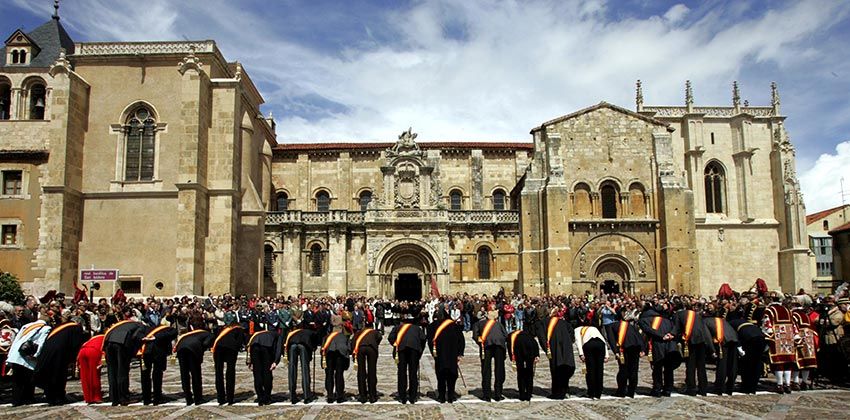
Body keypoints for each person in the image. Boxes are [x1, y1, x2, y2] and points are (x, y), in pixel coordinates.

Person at [34, 317, 86, 405]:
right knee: (59, 375)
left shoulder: (60, 327)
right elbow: (75, 344)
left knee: (50, 375)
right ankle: (59, 397)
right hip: (60, 354)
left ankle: (50, 397)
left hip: (47, 352)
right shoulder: (75, 328)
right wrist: (73, 359)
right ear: (79, 323)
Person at [668, 301, 711, 396]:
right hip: (702, 340)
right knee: (701, 366)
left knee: (691, 365)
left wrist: (671, 335)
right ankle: (703, 389)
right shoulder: (695, 314)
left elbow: (676, 328)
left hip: (690, 341)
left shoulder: (677, 315)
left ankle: (691, 389)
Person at [638, 303, 680, 397]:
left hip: (657, 344)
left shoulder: (644, 320)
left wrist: (661, 337)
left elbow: (648, 330)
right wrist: (670, 335)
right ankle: (668, 389)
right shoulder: (667, 320)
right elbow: (675, 328)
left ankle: (657, 389)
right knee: (668, 368)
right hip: (670, 344)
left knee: (657, 367)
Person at [103, 316, 147, 406]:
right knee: (122, 370)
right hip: (122, 343)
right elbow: (136, 336)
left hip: (108, 343)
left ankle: (114, 398)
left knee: (112, 371)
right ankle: (124, 398)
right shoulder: (140, 325)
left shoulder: (121, 324)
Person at [6, 319, 50, 406]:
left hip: (16, 354)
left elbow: (17, 339)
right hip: (27, 357)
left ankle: (16, 400)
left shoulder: (27, 326)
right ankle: (28, 398)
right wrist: (36, 355)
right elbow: (41, 343)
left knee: (17, 380)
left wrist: (10, 355)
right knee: (29, 379)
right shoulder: (46, 328)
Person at [536, 308, 575, 399]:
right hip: (566, 347)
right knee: (565, 367)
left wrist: (546, 350)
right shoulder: (563, 322)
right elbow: (571, 332)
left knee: (556, 369)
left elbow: (541, 337)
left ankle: (557, 393)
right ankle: (565, 389)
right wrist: (569, 342)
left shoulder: (543, 323)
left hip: (553, 347)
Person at [728, 303, 765, 395]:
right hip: (760, 337)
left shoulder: (731, 323)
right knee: (756, 363)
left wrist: (739, 348)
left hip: (749, 339)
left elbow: (735, 336)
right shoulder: (743, 321)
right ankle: (753, 387)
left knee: (747, 364)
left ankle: (746, 387)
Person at [429, 309, 465, 403]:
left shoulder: (432, 326)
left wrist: (433, 353)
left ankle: (441, 397)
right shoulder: (454, 325)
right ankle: (450, 396)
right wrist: (459, 353)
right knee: (451, 375)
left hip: (439, 355)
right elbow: (461, 340)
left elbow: (430, 341)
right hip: (452, 355)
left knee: (441, 376)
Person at [388, 315, 426, 404]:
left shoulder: (397, 328)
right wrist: (420, 350)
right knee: (413, 373)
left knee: (402, 373)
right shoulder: (417, 328)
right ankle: (413, 396)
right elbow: (423, 339)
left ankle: (402, 396)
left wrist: (396, 345)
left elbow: (390, 338)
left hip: (401, 350)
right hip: (414, 350)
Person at [763, 297, 798, 393]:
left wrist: (767, 335)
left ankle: (780, 385)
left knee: (778, 362)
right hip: (788, 336)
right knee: (788, 361)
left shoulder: (769, 310)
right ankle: (787, 384)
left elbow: (767, 324)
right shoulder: (787, 310)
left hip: (777, 337)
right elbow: (794, 324)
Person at [174, 323, 213, 405]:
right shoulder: (209, 334)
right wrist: (201, 352)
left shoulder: (191, 334)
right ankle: (198, 398)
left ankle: (188, 398)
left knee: (184, 374)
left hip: (180, 348)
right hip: (193, 350)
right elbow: (206, 344)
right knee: (196, 374)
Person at [472, 310, 508, 401]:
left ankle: (486, 395)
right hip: (499, 346)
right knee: (499, 369)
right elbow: (505, 335)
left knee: (486, 370)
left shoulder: (479, 324)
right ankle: (498, 394)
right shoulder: (499, 324)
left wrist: (480, 343)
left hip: (486, 347)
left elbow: (475, 336)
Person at [138, 322, 177, 405]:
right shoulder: (166, 329)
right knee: (157, 375)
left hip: (146, 352)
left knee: (145, 376)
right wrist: (156, 337)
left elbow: (136, 335)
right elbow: (174, 332)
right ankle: (157, 398)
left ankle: (146, 399)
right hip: (158, 353)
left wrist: (144, 338)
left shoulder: (145, 329)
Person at [704, 308, 738, 395]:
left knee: (722, 365)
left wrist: (712, 350)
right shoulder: (722, 320)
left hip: (723, 342)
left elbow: (707, 337)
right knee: (732, 364)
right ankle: (730, 388)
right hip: (733, 339)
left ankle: (719, 388)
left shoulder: (705, 321)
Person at [285, 322, 319, 404]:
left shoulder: (291, 333)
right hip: (303, 346)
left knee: (292, 370)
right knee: (305, 369)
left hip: (292, 346)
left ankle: (292, 396)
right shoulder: (309, 332)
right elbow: (315, 342)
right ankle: (307, 396)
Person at [247, 325, 282, 405]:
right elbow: (278, 349)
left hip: (254, 347)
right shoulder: (278, 335)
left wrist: (250, 361)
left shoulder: (258, 334)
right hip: (266, 348)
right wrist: (275, 362)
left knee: (257, 373)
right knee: (267, 373)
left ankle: (260, 397)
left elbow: (249, 346)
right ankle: (267, 397)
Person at [611, 315, 643, 398]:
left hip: (624, 348)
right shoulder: (630, 325)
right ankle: (631, 391)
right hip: (636, 347)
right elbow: (639, 337)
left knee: (623, 369)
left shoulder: (613, 325)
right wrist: (642, 349)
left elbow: (611, 339)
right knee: (633, 369)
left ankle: (621, 391)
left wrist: (616, 351)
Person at [575, 320, 609, 399]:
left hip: (589, 344)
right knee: (599, 369)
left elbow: (578, 341)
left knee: (590, 369)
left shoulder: (577, 330)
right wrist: (606, 355)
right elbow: (603, 340)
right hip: (600, 345)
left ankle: (591, 392)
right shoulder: (594, 328)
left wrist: (581, 354)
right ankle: (598, 393)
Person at [507, 319, 540, 401]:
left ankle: (522, 394)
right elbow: (535, 344)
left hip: (519, 357)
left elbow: (509, 347)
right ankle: (528, 394)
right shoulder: (529, 336)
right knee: (529, 375)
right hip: (530, 356)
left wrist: (512, 358)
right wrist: (537, 355)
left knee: (521, 375)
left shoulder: (511, 336)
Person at [212, 322, 243, 405]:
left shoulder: (223, 330)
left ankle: (220, 398)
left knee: (218, 373)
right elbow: (239, 342)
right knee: (230, 372)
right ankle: (230, 398)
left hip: (218, 349)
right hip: (231, 349)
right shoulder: (239, 329)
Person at [321, 315, 349, 403]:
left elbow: (322, 349)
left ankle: (330, 395)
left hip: (329, 356)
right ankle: (340, 395)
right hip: (340, 356)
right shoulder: (343, 336)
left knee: (329, 375)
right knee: (339, 374)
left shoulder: (326, 337)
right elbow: (348, 349)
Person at [351, 325, 382, 403]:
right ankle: (372, 396)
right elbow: (379, 338)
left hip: (360, 349)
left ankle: (363, 396)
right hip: (371, 348)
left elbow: (353, 341)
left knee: (361, 372)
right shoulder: (375, 332)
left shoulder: (359, 332)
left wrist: (353, 353)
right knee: (372, 371)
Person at [791, 301, 818, 390]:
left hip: (799, 338)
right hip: (809, 338)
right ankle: (804, 382)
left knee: (797, 362)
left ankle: (795, 382)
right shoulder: (805, 315)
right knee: (807, 362)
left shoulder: (793, 315)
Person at [78, 333, 105, 404]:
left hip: (82, 351)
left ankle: (88, 397)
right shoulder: (105, 337)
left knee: (84, 376)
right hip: (93, 351)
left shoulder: (93, 338)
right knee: (94, 375)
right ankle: (96, 397)